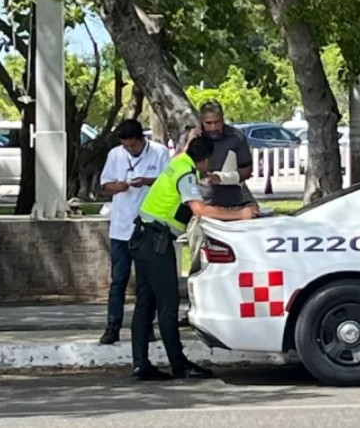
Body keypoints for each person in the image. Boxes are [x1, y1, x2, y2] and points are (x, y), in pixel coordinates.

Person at [129, 135, 258, 381]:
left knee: (145, 305)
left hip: (141, 239)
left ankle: (140, 363)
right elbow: (199, 210)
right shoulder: (186, 173)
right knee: (167, 306)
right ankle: (180, 366)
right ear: (206, 159)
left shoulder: (178, 162)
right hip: (157, 243)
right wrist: (240, 214)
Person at [98, 119, 170, 345]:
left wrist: (147, 181)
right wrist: (117, 187)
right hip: (121, 227)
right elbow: (104, 184)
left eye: (134, 146)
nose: (130, 150)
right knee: (118, 279)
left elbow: (168, 182)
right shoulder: (115, 154)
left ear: (142, 139)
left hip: (147, 228)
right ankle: (113, 326)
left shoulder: (159, 152)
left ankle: (145, 326)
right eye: (126, 146)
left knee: (146, 283)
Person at [187, 100, 258, 214]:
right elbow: (177, 164)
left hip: (232, 202)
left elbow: (247, 171)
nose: (213, 127)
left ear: (223, 119)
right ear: (201, 121)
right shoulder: (191, 137)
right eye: (208, 123)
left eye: (217, 122)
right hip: (199, 204)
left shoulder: (236, 137)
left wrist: (222, 178)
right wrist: (188, 143)